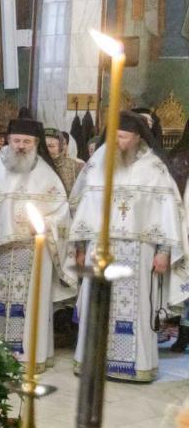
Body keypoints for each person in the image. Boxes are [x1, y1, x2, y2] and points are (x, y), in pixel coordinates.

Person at [71, 112, 189, 382]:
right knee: (96, 305)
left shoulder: (154, 168)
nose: (116, 142)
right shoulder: (97, 163)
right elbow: (80, 205)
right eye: (113, 136)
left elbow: (169, 214)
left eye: (123, 137)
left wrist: (163, 252)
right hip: (99, 249)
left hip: (140, 251)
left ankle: (136, 366)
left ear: (137, 138)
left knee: (137, 309)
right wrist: (79, 246)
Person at [0, 119, 74, 369]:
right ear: (8, 141)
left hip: (34, 252)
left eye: (27, 141)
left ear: (36, 143)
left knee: (31, 305)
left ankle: (30, 357)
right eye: (16, 141)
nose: (21, 146)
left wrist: (44, 225)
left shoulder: (47, 175)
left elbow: (61, 213)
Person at [46, 128, 84, 195]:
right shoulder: (35, 167)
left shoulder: (76, 166)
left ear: (61, 148)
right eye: (43, 146)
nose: (46, 150)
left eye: (51, 146)